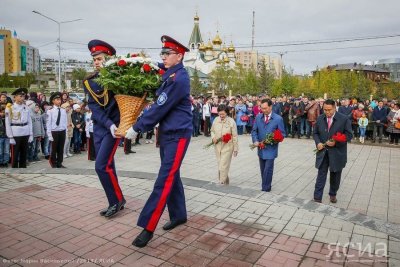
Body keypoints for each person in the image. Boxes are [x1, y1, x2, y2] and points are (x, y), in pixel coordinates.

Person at [125, 35, 192, 248]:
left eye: (167, 53)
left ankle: (148, 227)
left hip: (178, 135)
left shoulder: (178, 79)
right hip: (168, 133)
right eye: (162, 53)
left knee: (164, 179)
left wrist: (136, 128)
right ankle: (179, 214)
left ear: (179, 56)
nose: (163, 57)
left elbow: (159, 107)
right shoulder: (169, 74)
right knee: (173, 175)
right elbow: (152, 71)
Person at [83, 39, 125, 218]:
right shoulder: (90, 81)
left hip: (115, 128)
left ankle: (115, 201)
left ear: (108, 59)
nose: (96, 62)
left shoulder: (119, 78)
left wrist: (117, 124)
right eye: (95, 59)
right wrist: (108, 124)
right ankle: (118, 200)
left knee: (101, 166)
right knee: (108, 165)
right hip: (102, 127)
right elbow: (94, 107)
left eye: (100, 59)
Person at [313, 99, 353, 203]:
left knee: (335, 175)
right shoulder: (320, 118)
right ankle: (317, 197)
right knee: (321, 174)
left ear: (335, 108)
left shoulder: (343, 119)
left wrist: (336, 143)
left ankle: (333, 193)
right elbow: (315, 133)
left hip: (337, 153)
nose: (327, 112)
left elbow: (349, 135)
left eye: (329, 110)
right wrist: (318, 143)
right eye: (325, 110)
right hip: (323, 152)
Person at [251, 99, 285, 192]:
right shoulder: (258, 117)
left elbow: (282, 134)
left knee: (268, 169)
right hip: (260, 148)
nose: (263, 110)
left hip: (271, 148)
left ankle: (265, 188)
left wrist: (271, 140)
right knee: (263, 169)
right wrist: (255, 140)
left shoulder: (278, 119)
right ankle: (266, 185)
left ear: (270, 107)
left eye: (265, 108)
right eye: (262, 108)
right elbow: (254, 131)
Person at [210, 104, 238, 185]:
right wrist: (213, 137)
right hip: (218, 146)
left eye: (223, 114)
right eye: (220, 114)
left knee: (223, 166)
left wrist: (235, 149)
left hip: (228, 147)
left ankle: (221, 183)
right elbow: (212, 131)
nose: (221, 115)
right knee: (220, 166)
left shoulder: (231, 122)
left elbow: (235, 136)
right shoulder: (216, 120)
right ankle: (226, 182)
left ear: (227, 113)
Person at [5, 88, 33, 168]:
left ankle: (23, 170)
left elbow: (29, 122)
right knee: (15, 154)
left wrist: (30, 134)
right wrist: (10, 136)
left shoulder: (26, 107)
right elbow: (8, 123)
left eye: (23, 96)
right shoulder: (10, 108)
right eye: (20, 96)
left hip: (25, 132)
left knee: (24, 154)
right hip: (15, 133)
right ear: (15, 97)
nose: (22, 98)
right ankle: (14, 170)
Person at [47, 92, 67, 168]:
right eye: (57, 99)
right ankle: (53, 162)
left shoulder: (63, 110)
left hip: (62, 131)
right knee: (54, 148)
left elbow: (64, 121)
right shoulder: (50, 111)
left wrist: (65, 131)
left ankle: (59, 162)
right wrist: (49, 135)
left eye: (60, 99)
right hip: (54, 131)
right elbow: (49, 123)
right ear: (53, 101)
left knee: (60, 148)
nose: (59, 101)